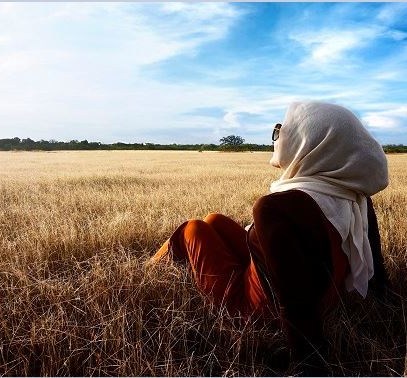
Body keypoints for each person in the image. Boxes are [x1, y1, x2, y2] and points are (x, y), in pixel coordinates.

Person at [149, 101, 389, 374]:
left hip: (256, 309)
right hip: (307, 287)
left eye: (283, 130)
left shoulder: (276, 208)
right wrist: (386, 302)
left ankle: (147, 272)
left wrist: (308, 361)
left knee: (193, 229)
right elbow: (377, 269)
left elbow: (294, 303)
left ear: (312, 142)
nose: (278, 138)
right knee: (214, 219)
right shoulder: (351, 195)